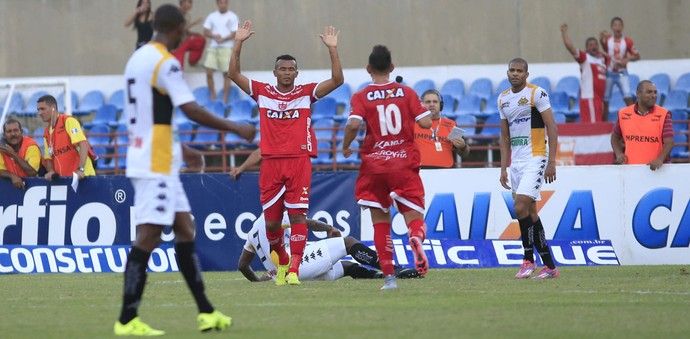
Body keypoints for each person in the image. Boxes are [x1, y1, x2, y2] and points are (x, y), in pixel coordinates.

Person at [114, 4, 256, 336]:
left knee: (185, 229)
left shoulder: (137, 58)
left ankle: (206, 312)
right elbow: (189, 109)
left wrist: (184, 150)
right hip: (155, 163)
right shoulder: (165, 62)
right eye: (183, 31)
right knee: (148, 236)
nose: (184, 36)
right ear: (176, 28)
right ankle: (127, 318)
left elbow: (154, 114)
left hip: (155, 155)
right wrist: (236, 128)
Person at [229, 20, 344, 286]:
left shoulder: (306, 93)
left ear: (296, 72)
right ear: (275, 72)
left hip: (298, 162)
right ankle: (282, 265)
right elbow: (233, 74)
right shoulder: (262, 92)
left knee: (297, 217)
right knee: (271, 226)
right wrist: (239, 42)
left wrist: (332, 49)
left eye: (291, 69)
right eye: (282, 69)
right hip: (270, 164)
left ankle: (293, 271)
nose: (287, 73)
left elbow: (338, 80)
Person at [341, 45, 432, 290]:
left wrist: (345, 146)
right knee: (415, 218)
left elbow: (351, 125)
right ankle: (415, 236)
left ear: (368, 69)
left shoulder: (360, 96)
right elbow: (425, 121)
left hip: (374, 166)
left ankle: (389, 279)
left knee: (380, 224)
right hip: (403, 163)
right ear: (392, 68)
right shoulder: (406, 93)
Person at [497, 58, 560, 280]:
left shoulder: (537, 94)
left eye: (519, 71)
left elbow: (552, 127)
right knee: (530, 213)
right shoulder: (503, 99)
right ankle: (550, 266)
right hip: (517, 162)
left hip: (536, 157)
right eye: (512, 70)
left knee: (520, 206)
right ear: (507, 73)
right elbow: (504, 136)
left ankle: (528, 260)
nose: (515, 74)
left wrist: (551, 161)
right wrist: (504, 167)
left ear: (526, 74)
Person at [238, 213, 420, 283]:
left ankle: (378, 276)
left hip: (283, 277)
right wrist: (329, 228)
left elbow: (243, 265)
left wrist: (258, 281)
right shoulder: (279, 213)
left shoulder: (252, 231)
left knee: (346, 267)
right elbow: (307, 223)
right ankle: (393, 270)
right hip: (297, 267)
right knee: (348, 242)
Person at [610, 80, 674, 171]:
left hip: (657, 171)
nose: (654, 95)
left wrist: (660, 159)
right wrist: (619, 153)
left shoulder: (664, 114)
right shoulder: (624, 114)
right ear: (638, 94)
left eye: (655, 92)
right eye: (649, 92)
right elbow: (615, 137)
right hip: (631, 170)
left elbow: (669, 142)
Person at [37, 95, 96, 180]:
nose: (40, 113)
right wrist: (50, 171)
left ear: (53, 108)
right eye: (38, 110)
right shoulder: (46, 132)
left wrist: (81, 170)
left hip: (84, 178)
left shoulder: (67, 121)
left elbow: (83, 144)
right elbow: (48, 158)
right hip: (66, 180)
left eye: (43, 109)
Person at [560, 23, 609, 122]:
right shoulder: (585, 58)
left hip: (599, 99)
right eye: (591, 45)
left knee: (598, 127)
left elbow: (610, 55)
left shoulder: (602, 59)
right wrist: (564, 33)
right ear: (586, 48)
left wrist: (603, 41)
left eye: (596, 44)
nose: (594, 47)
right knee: (593, 128)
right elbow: (571, 48)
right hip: (590, 98)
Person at [414, 89, 470, 168]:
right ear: (421, 105)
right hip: (419, 171)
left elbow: (465, 153)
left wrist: (463, 146)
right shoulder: (412, 123)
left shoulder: (451, 124)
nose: (432, 104)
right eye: (428, 102)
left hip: (446, 173)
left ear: (441, 105)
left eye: (435, 102)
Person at [600, 17, 640, 118]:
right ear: (612, 27)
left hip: (622, 72)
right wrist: (601, 40)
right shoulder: (607, 39)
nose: (617, 27)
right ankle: (603, 125)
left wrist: (627, 59)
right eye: (615, 25)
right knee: (605, 100)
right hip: (609, 72)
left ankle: (636, 121)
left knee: (628, 97)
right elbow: (604, 50)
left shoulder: (627, 41)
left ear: (622, 27)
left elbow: (637, 56)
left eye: (619, 25)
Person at [202, 0, 238, 103]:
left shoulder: (232, 16)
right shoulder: (212, 16)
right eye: (221, 3)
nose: (223, 5)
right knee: (209, 71)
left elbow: (234, 33)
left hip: (226, 47)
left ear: (227, 3)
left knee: (227, 74)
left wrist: (223, 39)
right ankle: (213, 96)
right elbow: (206, 31)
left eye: (225, 3)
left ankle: (225, 98)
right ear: (217, 4)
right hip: (214, 46)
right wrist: (214, 36)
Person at [0, 118, 41, 188]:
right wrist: (12, 176)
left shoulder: (31, 146)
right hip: (12, 187)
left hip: (35, 186)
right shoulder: (2, 147)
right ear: (4, 135)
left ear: (21, 132)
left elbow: (32, 172)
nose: (13, 134)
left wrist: (13, 155)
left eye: (16, 130)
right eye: (9, 131)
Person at [172, 0, 206, 69]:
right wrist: (194, 23)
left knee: (200, 39)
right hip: (176, 43)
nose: (191, 4)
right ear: (183, 2)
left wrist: (194, 34)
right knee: (178, 65)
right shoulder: (176, 14)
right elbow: (178, 30)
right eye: (189, 2)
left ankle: (193, 61)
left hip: (184, 40)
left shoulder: (187, 15)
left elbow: (185, 31)